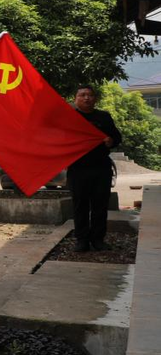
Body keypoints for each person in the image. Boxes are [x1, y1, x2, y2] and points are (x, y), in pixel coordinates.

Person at [69, 85, 122, 251]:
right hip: (78, 169)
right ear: (75, 99)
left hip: (101, 168)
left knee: (100, 205)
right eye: (82, 95)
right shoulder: (69, 117)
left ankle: (98, 239)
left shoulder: (104, 117)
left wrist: (111, 140)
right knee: (80, 206)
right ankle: (81, 240)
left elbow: (117, 137)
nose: (86, 98)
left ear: (95, 99)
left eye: (90, 95)